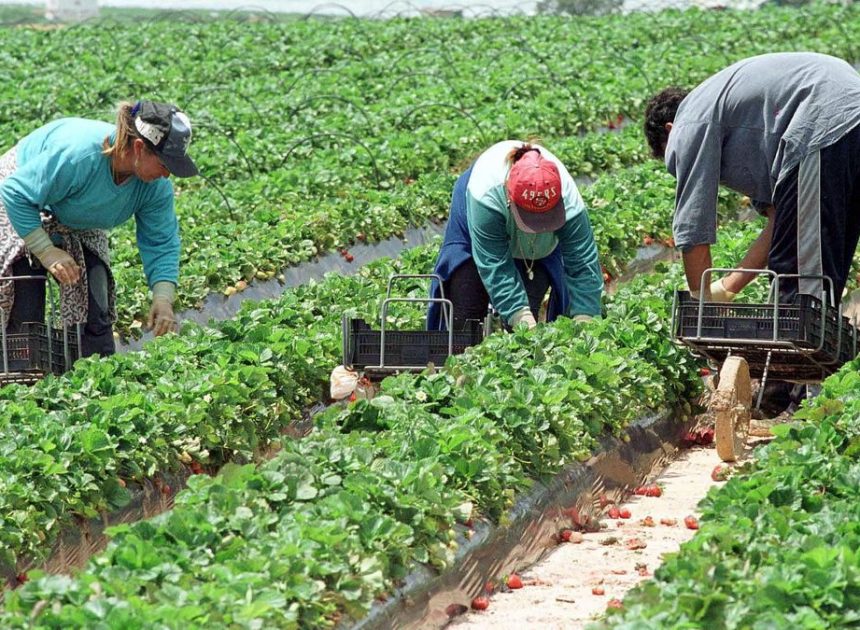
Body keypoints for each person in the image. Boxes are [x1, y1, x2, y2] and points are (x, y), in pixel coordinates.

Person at [644, 52, 860, 306]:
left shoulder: (689, 122)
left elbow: (693, 228)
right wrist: (727, 288)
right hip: (847, 111)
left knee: (800, 283)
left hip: (823, 117)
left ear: (671, 130)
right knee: (825, 271)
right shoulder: (734, 114)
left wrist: (700, 302)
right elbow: (779, 220)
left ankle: (803, 328)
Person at [0, 100, 199, 358]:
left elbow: (160, 240)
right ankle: (20, 371)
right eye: (164, 164)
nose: (167, 175)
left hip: (77, 216)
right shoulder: (79, 155)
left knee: (95, 301)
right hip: (20, 202)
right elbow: (15, 193)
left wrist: (163, 298)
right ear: (139, 148)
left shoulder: (155, 186)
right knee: (25, 298)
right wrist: (46, 251)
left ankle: (90, 371)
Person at [427, 140, 603, 332]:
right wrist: (519, 315)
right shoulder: (486, 196)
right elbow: (494, 263)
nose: (537, 227)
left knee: (528, 309)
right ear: (509, 199)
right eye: (531, 219)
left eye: (545, 218)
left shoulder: (569, 198)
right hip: (477, 224)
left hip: (539, 250)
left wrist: (585, 319)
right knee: (467, 309)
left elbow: (583, 263)